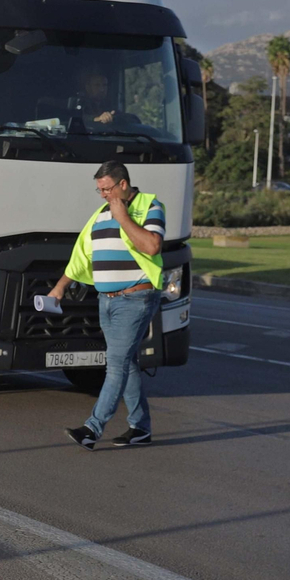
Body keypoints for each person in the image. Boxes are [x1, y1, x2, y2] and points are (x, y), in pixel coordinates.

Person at [47, 161, 167, 449]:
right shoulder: (100, 214)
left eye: (106, 189)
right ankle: (140, 428)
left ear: (123, 184)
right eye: (99, 189)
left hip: (135, 299)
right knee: (128, 364)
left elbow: (152, 246)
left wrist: (122, 216)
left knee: (116, 365)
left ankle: (92, 428)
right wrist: (60, 287)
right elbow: (83, 256)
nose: (102, 195)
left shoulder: (151, 206)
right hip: (107, 302)